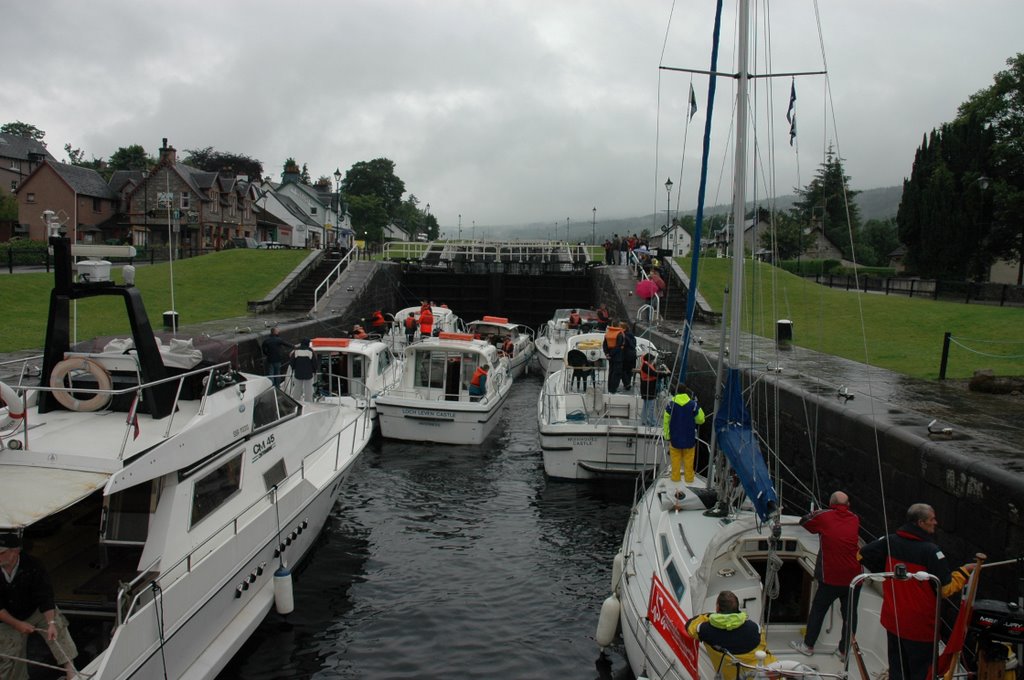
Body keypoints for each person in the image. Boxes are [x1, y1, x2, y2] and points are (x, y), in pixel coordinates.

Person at [858, 503, 975, 680]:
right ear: (921, 522)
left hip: (894, 619)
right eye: (932, 519)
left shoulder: (890, 541)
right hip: (919, 626)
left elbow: (862, 554)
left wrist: (887, 574)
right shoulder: (931, 551)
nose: (935, 522)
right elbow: (946, 589)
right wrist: (965, 571)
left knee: (897, 669)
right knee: (922, 673)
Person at [790, 491, 861, 660]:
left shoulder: (824, 516)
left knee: (818, 610)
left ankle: (808, 645)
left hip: (831, 576)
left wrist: (818, 512)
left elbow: (804, 521)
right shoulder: (855, 518)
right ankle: (844, 651)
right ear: (848, 504)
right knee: (850, 614)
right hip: (854, 577)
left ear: (831, 503)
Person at [0, 533, 78, 680]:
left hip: (36, 610)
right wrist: (18, 625)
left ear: (15, 551)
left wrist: (51, 623)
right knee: (8, 651)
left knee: (58, 629)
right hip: (7, 618)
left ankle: (72, 674)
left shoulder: (34, 565)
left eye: (2, 553)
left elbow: (45, 596)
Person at [685, 590, 775, 680]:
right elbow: (763, 647)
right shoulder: (756, 628)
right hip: (770, 672)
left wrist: (710, 616)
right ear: (737, 608)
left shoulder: (705, 630)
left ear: (717, 608)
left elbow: (689, 626)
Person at [663, 383, 705, 489]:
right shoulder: (693, 405)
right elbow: (701, 420)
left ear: (676, 392)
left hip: (675, 439)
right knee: (688, 460)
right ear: (686, 391)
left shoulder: (670, 405)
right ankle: (689, 479)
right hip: (689, 438)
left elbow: (666, 421)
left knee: (675, 460)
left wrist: (667, 435)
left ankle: (675, 479)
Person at [637, 351, 663, 426]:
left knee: (646, 406)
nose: (652, 361)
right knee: (651, 407)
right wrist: (664, 374)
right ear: (649, 360)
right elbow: (654, 374)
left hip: (647, 389)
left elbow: (653, 373)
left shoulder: (645, 365)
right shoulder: (646, 366)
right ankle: (653, 422)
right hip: (649, 389)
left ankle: (644, 420)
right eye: (652, 359)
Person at [603, 322, 625, 393]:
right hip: (617, 356)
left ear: (612, 325)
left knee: (611, 372)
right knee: (616, 373)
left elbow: (604, 345)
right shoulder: (620, 334)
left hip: (610, 357)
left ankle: (610, 388)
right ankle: (614, 389)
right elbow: (618, 346)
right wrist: (611, 354)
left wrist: (607, 353)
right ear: (618, 326)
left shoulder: (608, 333)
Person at [619, 323, 637, 390]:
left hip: (626, 356)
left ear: (624, 329)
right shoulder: (632, 336)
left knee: (622, 369)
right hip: (633, 356)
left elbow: (622, 346)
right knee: (629, 370)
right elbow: (633, 345)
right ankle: (627, 383)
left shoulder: (623, 336)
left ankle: (627, 384)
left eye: (620, 327)